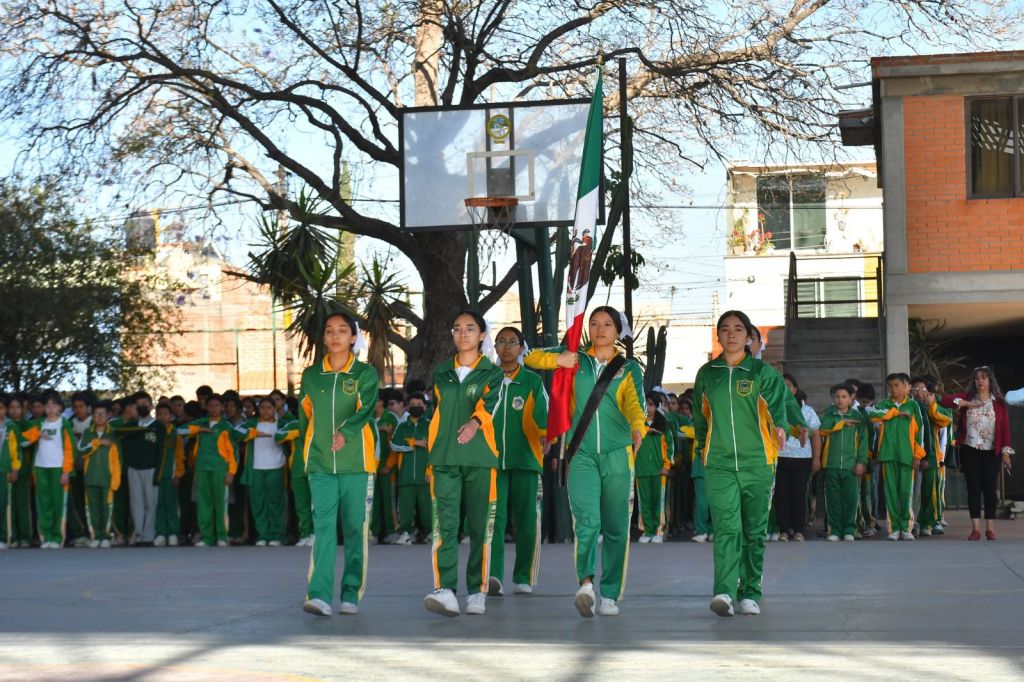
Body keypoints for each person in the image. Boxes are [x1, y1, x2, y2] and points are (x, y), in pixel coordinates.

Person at [525, 306, 646, 619]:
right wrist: (558, 360)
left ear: (619, 331)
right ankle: (586, 585)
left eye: (608, 324)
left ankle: (610, 594)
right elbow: (530, 356)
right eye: (594, 323)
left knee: (617, 526)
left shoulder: (628, 368)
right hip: (579, 455)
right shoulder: (574, 358)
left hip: (618, 454)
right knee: (587, 521)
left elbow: (635, 404)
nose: (600, 329)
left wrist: (637, 427)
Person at [692, 310, 790, 618]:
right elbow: (700, 417)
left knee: (754, 530)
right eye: (725, 329)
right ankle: (724, 590)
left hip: (758, 463)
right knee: (726, 527)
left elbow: (776, 405)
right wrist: (701, 448)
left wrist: (780, 426)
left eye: (738, 329)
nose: (731, 334)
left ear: (748, 336)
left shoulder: (761, 372)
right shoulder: (707, 374)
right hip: (719, 464)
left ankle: (750, 591)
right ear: (718, 336)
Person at [422, 310, 503, 618]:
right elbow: (437, 418)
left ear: (482, 335)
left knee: (480, 528)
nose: (463, 333)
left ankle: (478, 591)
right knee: (445, 527)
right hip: (444, 460)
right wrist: (431, 461)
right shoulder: (442, 371)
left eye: (470, 329)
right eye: (457, 328)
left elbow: (489, 403)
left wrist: (474, 423)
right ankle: (445, 590)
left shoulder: (492, 373)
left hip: (480, 459)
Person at [299, 311, 379, 617]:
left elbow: (366, 408)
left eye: (342, 330)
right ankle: (318, 595)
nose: (335, 336)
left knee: (355, 530)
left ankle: (350, 593)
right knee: (323, 529)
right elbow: (306, 414)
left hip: (357, 465)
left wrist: (345, 433)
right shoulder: (310, 375)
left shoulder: (364, 374)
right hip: (320, 464)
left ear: (354, 337)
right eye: (330, 330)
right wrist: (309, 451)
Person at [488, 326, 549, 595]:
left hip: (526, 459)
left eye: (513, 342)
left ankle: (524, 576)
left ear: (522, 348)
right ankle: (493, 576)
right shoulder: (486, 378)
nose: (507, 347)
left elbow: (545, 415)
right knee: (495, 520)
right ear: (495, 347)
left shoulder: (533, 381)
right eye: (501, 342)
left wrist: (549, 436)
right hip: (491, 461)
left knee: (526, 520)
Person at [941, 366, 1014, 540]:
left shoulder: (998, 403)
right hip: (970, 449)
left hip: (992, 451)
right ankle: (975, 529)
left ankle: (990, 528)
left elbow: (1004, 430)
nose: (980, 381)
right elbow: (944, 401)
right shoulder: (967, 397)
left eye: (983, 378)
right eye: (977, 378)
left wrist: (1006, 453)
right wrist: (964, 404)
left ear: (990, 381)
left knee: (989, 489)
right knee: (973, 488)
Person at [867, 373, 926, 541]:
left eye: (896, 385)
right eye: (890, 386)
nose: (892, 389)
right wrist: (895, 413)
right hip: (887, 454)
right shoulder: (883, 404)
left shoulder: (914, 406)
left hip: (908, 455)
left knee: (906, 491)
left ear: (906, 387)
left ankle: (906, 527)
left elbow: (920, 432)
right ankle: (893, 528)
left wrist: (917, 454)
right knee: (890, 491)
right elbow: (872, 415)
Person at [178, 394, 240, 547]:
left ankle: (222, 536)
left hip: (220, 469)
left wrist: (231, 472)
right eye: (210, 405)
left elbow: (234, 452)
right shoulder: (201, 423)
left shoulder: (226, 427)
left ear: (222, 407)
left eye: (217, 405)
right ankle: (207, 537)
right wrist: (199, 429)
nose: (213, 408)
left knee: (221, 504)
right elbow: (179, 430)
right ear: (206, 407)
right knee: (204, 504)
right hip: (201, 468)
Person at [20, 394, 75, 549]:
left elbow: (70, 449)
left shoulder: (64, 424)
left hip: (58, 468)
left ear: (60, 408)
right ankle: (46, 537)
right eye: (47, 405)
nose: (50, 408)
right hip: (40, 468)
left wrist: (66, 471)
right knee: (44, 504)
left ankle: (57, 538)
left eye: (54, 405)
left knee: (58, 504)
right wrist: (36, 434)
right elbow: (22, 441)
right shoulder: (38, 424)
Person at [816, 383, 868, 542]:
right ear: (832, 398)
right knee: (833, 499)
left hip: (850, 465)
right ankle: (834, 530)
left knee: (851, 499)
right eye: (837, 397)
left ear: (851, 398)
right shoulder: (827, 414)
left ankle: (849, 530)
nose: (840, 400)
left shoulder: (858, 416)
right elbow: (821, 428)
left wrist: (861, 462)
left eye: (844, 396)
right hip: (830, 464)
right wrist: (841, 423)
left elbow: (864, 441)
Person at [237, 397, 289, 546]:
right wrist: (254, 434)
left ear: (274, 409)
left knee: (276, 502)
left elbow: (293, 430)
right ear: (257, 410)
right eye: (262, 408)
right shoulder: (252, 424)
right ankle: (263, 535)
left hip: (276, 467)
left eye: (269, 408)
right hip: (256, 468)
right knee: (258, 503)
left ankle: (277, 535)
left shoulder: (282, 424)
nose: (265, 411)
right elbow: (236, 431)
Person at [774, 376, 818, 542]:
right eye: (781, 386)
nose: (785, 388)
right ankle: (784, 530)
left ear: (795, 389)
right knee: (781, 494)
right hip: (779, 457)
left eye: (788, 386)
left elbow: (815, 436)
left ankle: (799, 529)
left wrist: (816, 459)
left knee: (799, 494)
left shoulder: (807, 411)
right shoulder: (774, 408)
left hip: (801, 458)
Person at [77, 401, 123, 548]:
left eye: (102, 414)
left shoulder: (113, 434)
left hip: (107, 478)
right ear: (92, 416)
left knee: (106, 508)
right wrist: (97, 443)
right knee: (92, 508)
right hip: (90, 478)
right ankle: (95, 535)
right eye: (96, 414)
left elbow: (118, 459)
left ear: (108, 415)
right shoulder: (88, 433)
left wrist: (115, 479)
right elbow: (82, 451)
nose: (99, 417)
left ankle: (106, 536)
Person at [911, 377, 954, 537]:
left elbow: (946, 420)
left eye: (921, 388)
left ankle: (930, 522)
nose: (918, 392)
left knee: (931, 491)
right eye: (914, 388)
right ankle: (915, 521)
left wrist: (932, 406)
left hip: (932, 456)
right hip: (913, 456)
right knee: (915, 493)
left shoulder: (935, 407)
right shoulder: (910, 407)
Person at [391, 392, 431, 545]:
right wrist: (413, 443)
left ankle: (428, 533)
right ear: (408, 407)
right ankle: (406, 533)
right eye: (413, 405)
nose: (416, 408)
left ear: (425, 407)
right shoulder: (402, 426)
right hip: (405, 475)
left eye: (419, 405)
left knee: (427, 509)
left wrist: (430, 471)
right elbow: (394, 445)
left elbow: (435, 450)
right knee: (405, 509)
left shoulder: (429, 425)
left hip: (425, 476)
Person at [635, 393, 673, 544]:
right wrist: (646, 431)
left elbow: (671, 446)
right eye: (646, 404)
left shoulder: (664, 424)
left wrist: (666, 466)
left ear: (656, 406)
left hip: (659, 471)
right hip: (641, 469)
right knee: (644, 501)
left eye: (651, 405)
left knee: (659, 501)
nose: (648, 408)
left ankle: (658, 530)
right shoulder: (637, 424)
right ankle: (647, 530)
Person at [370, 388, 403, 544]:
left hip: (386, 469)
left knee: (389, 501)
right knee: (372, 502)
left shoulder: (390, 418)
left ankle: (392, 531)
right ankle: (374, 532)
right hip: (371, 468)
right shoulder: (368, 418)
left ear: (380, 402)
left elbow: (396, 443)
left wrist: (389, 465)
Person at [153, 402, 184, 547]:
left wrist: (178, 474)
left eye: (165, 414)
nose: (162, 417)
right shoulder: (153, 431)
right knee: (159, 505)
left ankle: (173, 533)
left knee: (171, 505)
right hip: (157, 474)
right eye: (159, 414)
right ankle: (160, 533)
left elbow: (179, 454)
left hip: (171, 475)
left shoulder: (175, 433)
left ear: (171, 416)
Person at [0, 397, 23, 550]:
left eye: (1, 407)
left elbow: (17, 450)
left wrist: (15, 468)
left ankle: (5, 537)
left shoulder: (11, 426)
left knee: (4, 504)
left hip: (4, 471)